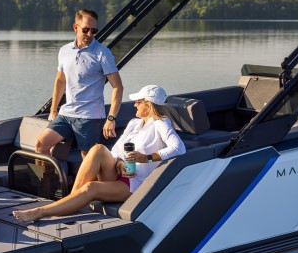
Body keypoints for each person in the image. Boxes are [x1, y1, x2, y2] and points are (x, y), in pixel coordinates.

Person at [13, 85, 186, 222]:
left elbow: (178, 148)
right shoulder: (134, 123)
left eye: (138, 102)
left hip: (135, 184)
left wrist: (146, 158)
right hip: (120, 172)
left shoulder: (161, 124)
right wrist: (118, 163)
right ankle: (70, 201)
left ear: (148, 105)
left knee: (90, 188)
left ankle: (39, 212)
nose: (134, 104)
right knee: (98, 149)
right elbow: (117, 148)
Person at [36, 8, 124, 159]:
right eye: (86, 30)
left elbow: (117, 87)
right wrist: (53, 109)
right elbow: (60, 80)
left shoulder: (102, 53)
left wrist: (111, 118)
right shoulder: (64, 51)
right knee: (41, 145)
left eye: (94, 30)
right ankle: (50, 182)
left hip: (90, 116)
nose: (90, 34)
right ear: (75, 27)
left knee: (87, 158)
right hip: (66, 113)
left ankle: (87, 184)